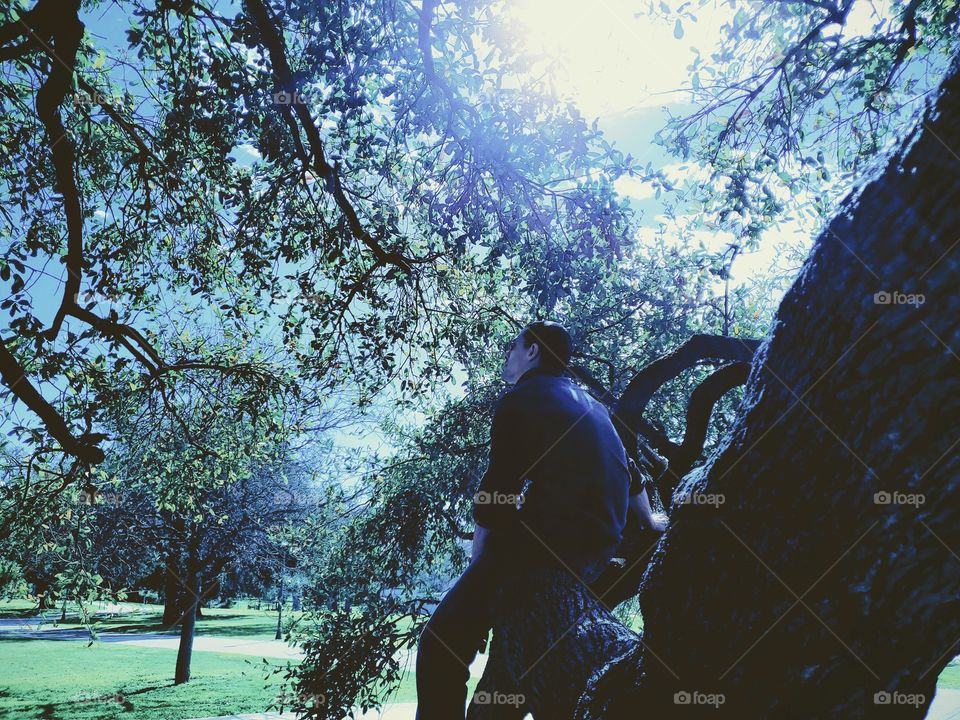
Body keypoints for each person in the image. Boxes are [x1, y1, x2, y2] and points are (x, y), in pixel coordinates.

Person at [415, 321, 665, 720]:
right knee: (511, 672)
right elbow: (631, 474)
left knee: (439, 646)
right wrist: (650, 522)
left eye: (514, 347)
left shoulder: (522, 398)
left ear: (532, 351)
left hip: (542, 551)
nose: (507, 355)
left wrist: (478, 574)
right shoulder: (595, 406)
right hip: (597, 551)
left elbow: (497, 493)